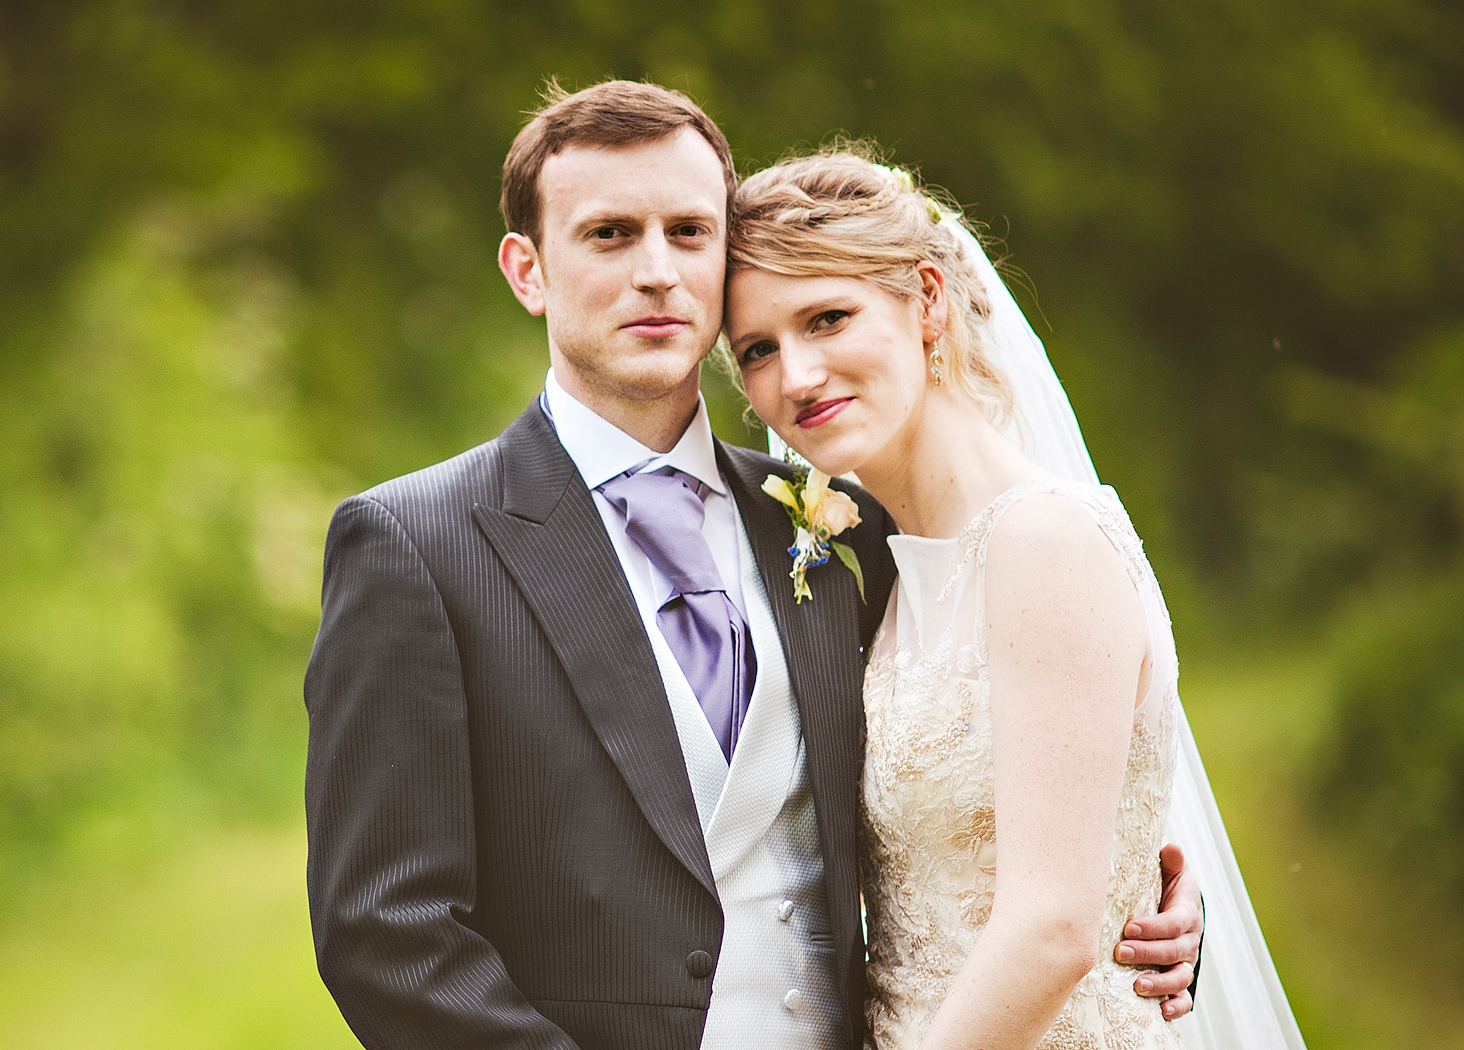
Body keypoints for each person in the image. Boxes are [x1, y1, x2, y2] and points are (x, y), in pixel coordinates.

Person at [303, 80, 1200, 1050]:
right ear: (528, 270)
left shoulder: (842, 529)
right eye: (609, 234)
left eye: (689, 232)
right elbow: (387, 935)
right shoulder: (418, 545)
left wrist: (1138, 898)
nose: (657, 271)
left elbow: (982, 805)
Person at [724, 148, 1306, 1049]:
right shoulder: (879, 560)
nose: (793, 377)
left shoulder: (1042, 542)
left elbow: (1052, 929)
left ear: (926, 299)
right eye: (757, 349)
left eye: (827, 317)